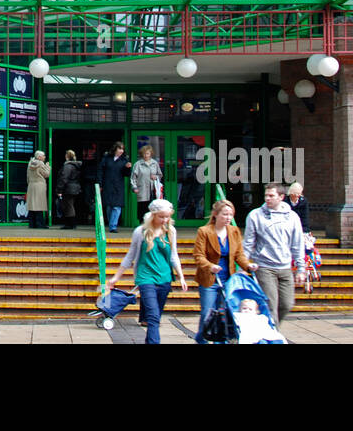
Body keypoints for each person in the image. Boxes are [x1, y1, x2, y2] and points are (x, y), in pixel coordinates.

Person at [104, 198, 188, 344]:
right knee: (153, 316)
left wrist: (181, 277)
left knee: (155, 316)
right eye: (161, 216)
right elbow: (130, 255)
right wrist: (116, 277)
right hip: (145, 277)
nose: (165, 220)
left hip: (165, 278)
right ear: (153, 215)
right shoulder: (140, 232)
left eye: (168, 216)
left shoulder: (170, 231)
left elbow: (174, 255)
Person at [242, 183, 306, 326]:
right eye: (266, 195)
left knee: (286, 304)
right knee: (271, 306)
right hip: (264, 266)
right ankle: (273, 336)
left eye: (271, 196)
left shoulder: (292, 217)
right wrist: (243, 265)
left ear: (281, 197)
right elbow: (248, 243)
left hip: (285, 267)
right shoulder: (255, 215)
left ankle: (268, 330)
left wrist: (301, 268)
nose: (267, 199)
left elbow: (297, 244)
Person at [192, 199, 254, 344]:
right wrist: (210, 266)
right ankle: (202, 339)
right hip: (210, 279)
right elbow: (198, 255)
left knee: (227, 313)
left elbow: (239, 254)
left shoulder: (234, 231)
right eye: (225, 214)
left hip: (229, 278)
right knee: (207, 313)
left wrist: (248, 266)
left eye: (230, 215)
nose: (228, 218)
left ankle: (222, 341)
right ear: (215, 214)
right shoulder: (204, 231)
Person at [98, 141, 130, 232]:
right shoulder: (107, 158)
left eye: (122, 149)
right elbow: (100, 171)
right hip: (108, 185)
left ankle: (113, 226)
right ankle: (111, 223)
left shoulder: (124, 160)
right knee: (109, 206)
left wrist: (127, 168)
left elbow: (126, 174)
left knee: (117, 206)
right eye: (119, 148)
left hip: (118, 186)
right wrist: (100, 184)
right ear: (115, 149)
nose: (121, 151)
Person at [131, 145, 164, 220]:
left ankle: (152, 225)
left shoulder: (155, 163)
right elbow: (133, 177)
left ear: (151, 154)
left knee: (152, 209)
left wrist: (156, 177)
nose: (145, 155)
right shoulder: (138, 164)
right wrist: (134, 187)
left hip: (153, 190)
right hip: (142, 189)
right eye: (144, 154)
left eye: (147, 153)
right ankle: (142, 226)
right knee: (142, 209)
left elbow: (160, 175)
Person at [58, 150, 83, 230]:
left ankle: (70, 224)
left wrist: (59, 189)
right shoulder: (76, 166)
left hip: (68, 188)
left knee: (68, 206)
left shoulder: (67, 166)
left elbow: (64, 178)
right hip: (75, 187)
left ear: (67, 156)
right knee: (70, 205)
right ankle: (71, 223)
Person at [26, 151, 51, 229]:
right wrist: (48, 167)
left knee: (32, 205)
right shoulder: (41, 164)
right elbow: (46, 174)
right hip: (39, 185)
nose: (44, 157)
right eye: (43, 156)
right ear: (39, 157)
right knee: (39, 205)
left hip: (31, 185)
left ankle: (32, 224)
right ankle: (40, 224)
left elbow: (27, 176)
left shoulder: (30, 163)